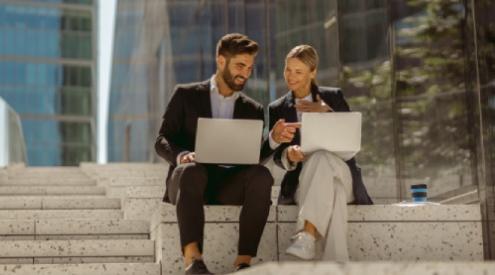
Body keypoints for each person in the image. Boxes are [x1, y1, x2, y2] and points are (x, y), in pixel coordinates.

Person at [155, 33, 297, 274]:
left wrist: (272, 139)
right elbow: (161, 140)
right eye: (240, 65)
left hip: (227, 185)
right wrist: (182, 156)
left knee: (261, 175)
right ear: (221, 61)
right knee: (191, 171)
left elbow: (252, 156)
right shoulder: (185, 95)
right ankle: (193, 261)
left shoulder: (252, 108)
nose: (245, 73)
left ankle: (243, 263)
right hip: (188, 181)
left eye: (250, 68)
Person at [268, 45, 373, 262]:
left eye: (298, 71)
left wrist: (326, 111)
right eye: (288, 70)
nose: (291, 76)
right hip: (302, 183)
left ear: (312, 72)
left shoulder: (333, 97)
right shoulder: (277, 108)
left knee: (323, 158)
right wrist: (289, 153)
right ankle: (336, 264)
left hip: (342, 174)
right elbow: (277, 154)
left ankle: (307, 235)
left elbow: (351, 137)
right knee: (333, 191)